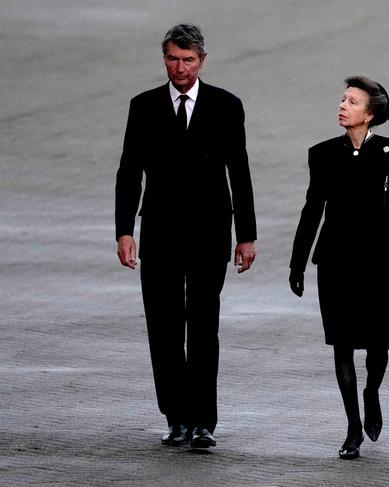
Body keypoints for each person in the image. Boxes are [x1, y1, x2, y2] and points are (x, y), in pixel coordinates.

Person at [115, 24, 257, 448]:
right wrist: (124, 230)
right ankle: (175, 417)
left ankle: (202, 422)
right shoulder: (143, 107)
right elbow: (129, 172)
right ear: (164, 59)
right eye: (173, 59)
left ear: (202, 60)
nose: (180, 68)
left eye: (188, 60)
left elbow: (240, 171)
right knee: (162, 326)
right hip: (158, 233)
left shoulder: (226, 106)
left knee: (202, 325)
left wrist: (246, 236)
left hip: (210, 233)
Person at [289, 76, 389, 459]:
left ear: (370, 114)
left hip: (380, 261)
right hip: (334, 262)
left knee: (378, 345)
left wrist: (384, 222)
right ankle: (352, 427)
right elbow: (312, 210)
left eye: (351, 101)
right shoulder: (323, 153)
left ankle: (372, 392)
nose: (342, 106)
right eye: (342, 99)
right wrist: (297, 264)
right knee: (342, 344)